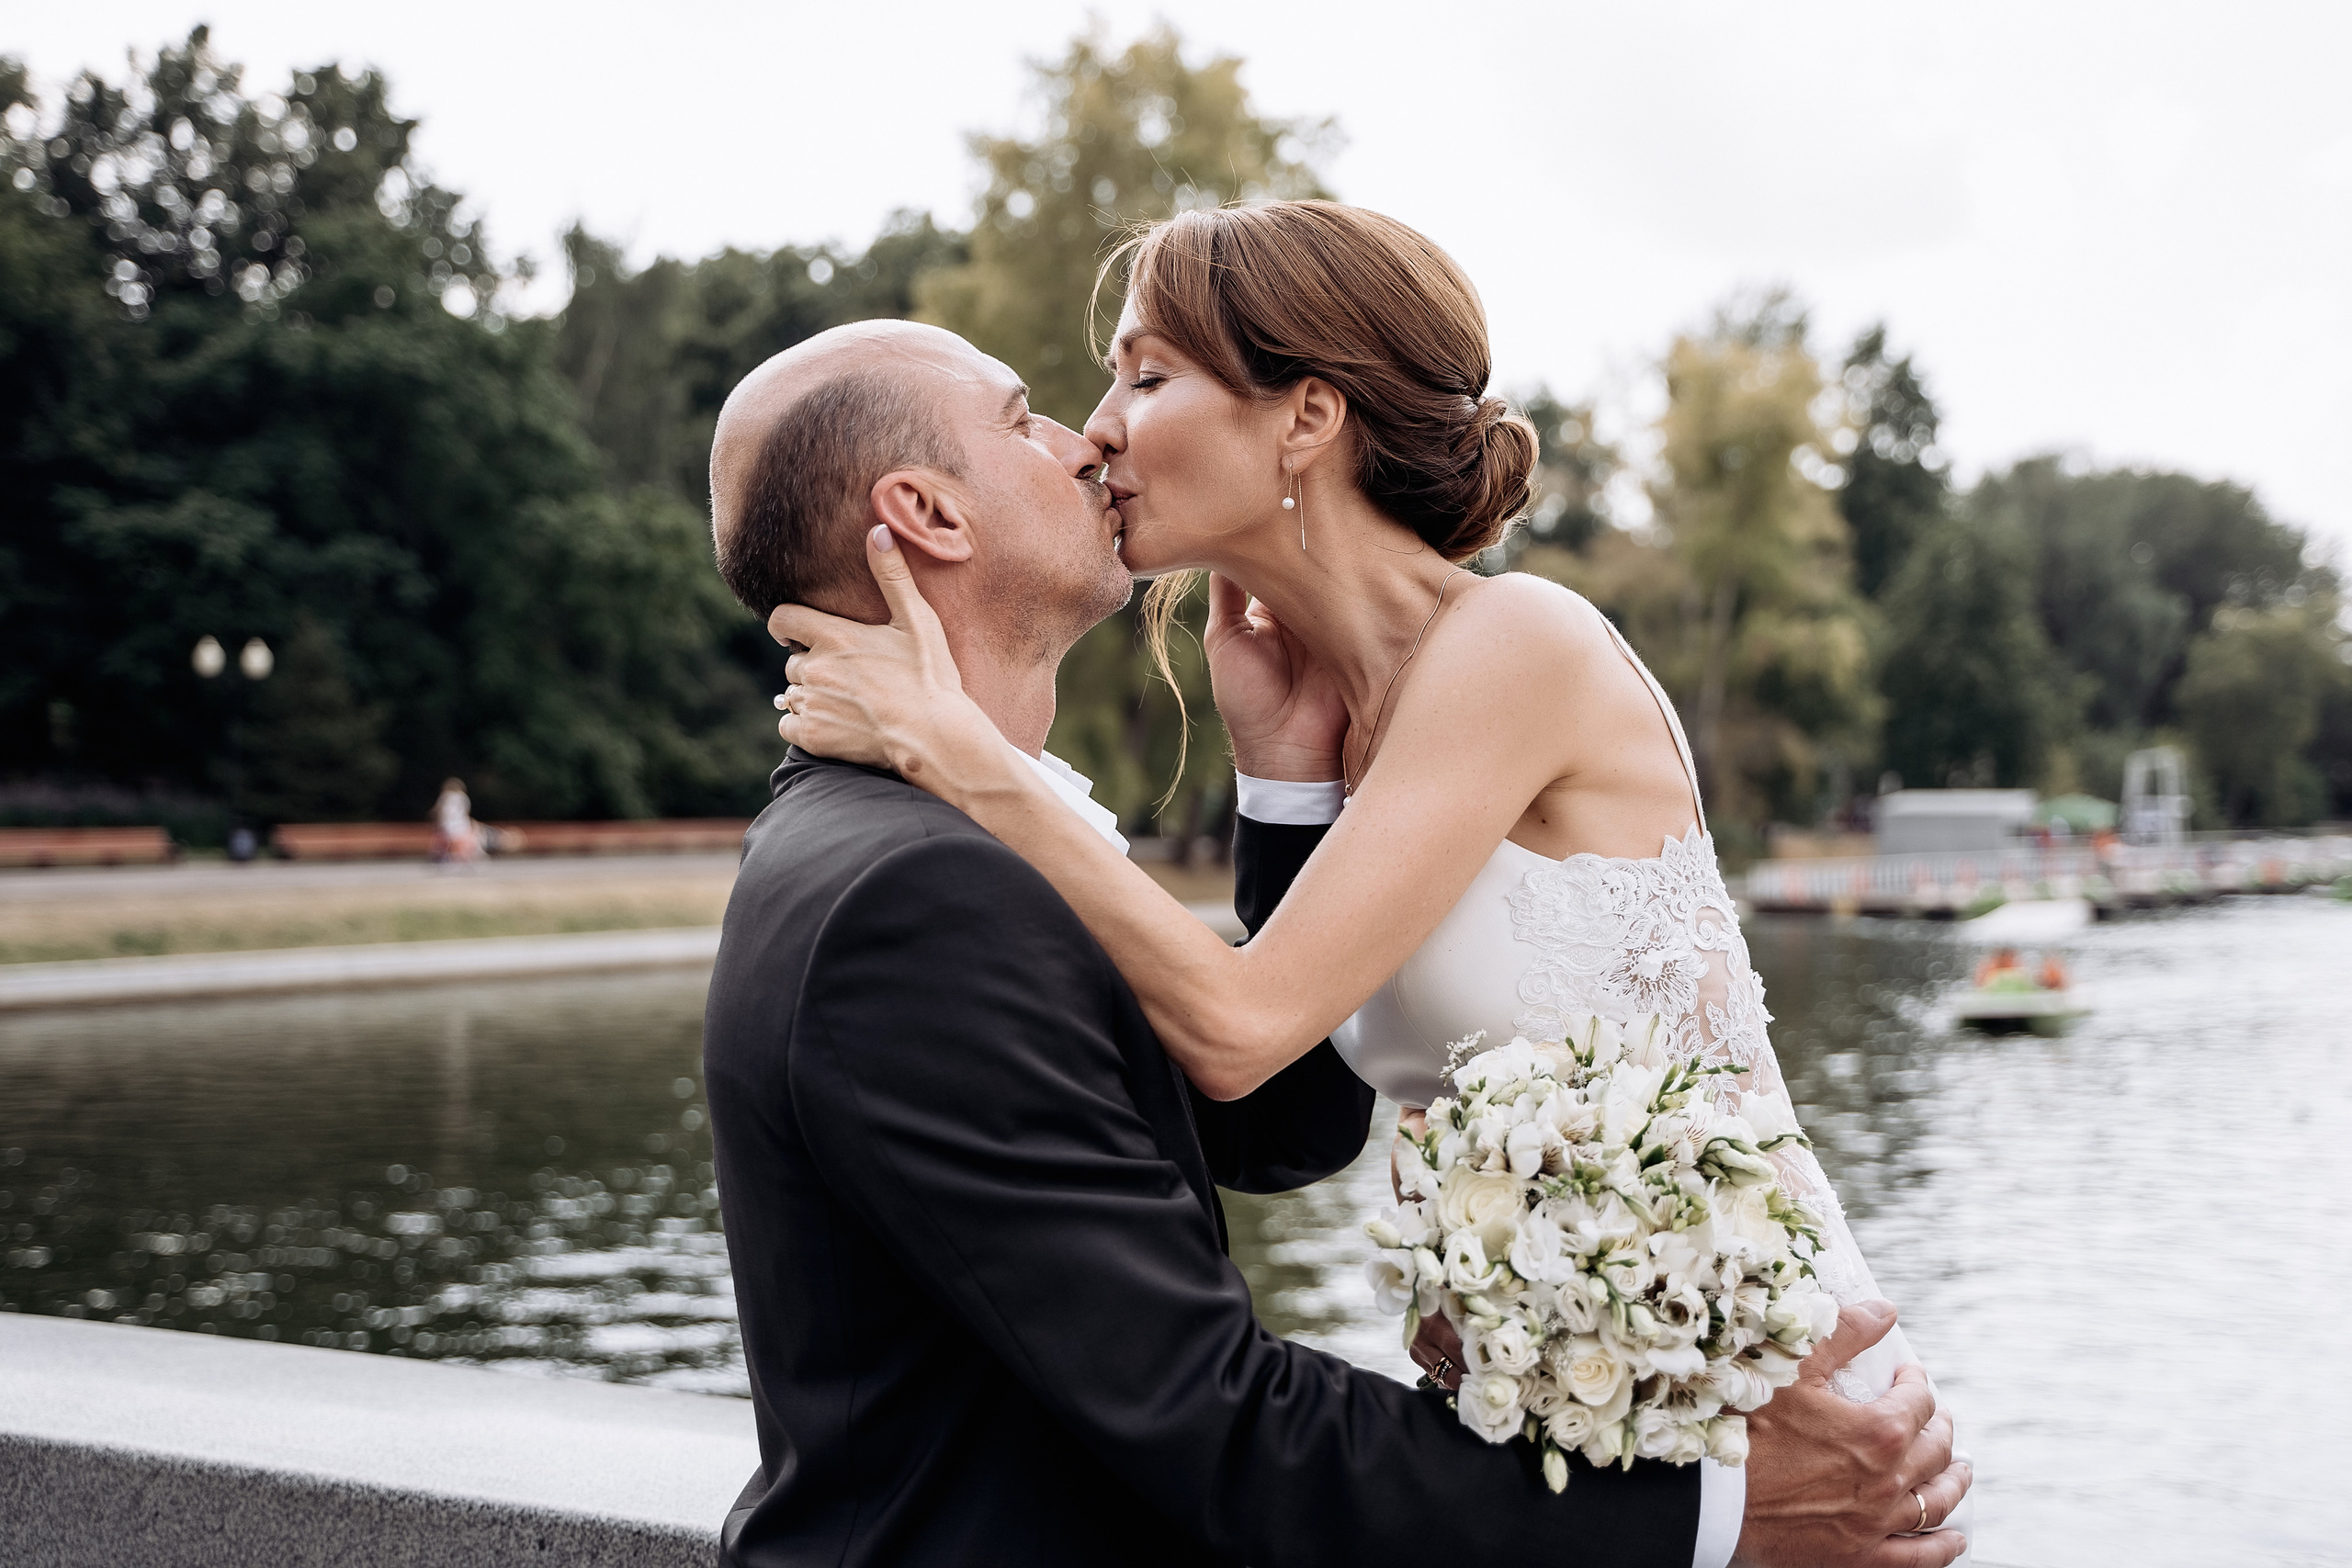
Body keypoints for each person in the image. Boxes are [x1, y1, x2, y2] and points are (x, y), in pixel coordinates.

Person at [706, 313, 1967, 1566]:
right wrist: (1715, 1520)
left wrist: (1287, 795)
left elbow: (1279, 1124)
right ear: (928, 514)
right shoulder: (916, 891)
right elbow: (1206, 1413)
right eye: (1024, 415)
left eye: (1142, 378)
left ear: (1309, 419)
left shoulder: (936, 843)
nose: (1086, 438)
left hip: (1737, 1361)